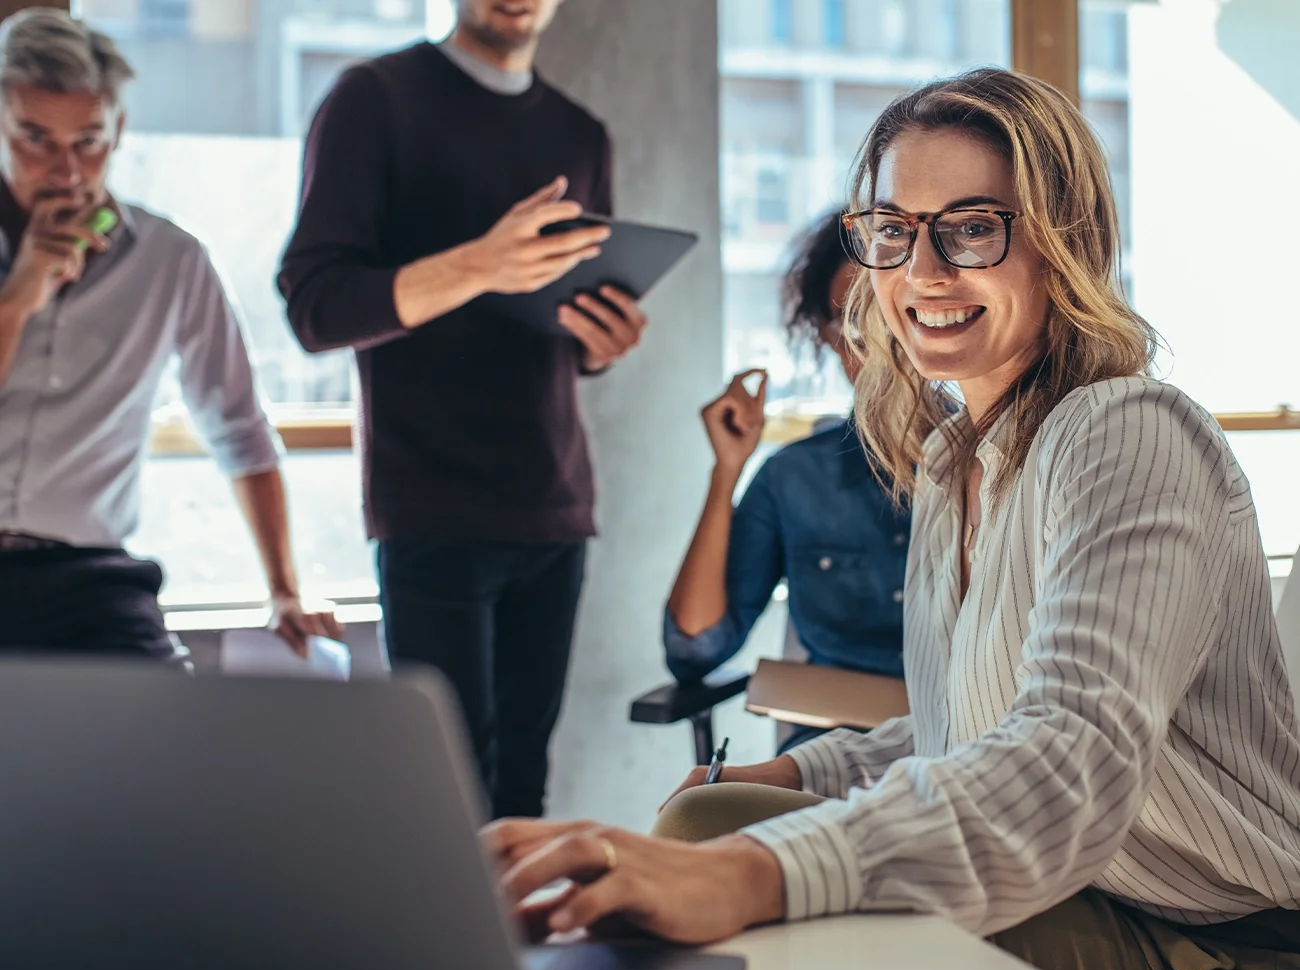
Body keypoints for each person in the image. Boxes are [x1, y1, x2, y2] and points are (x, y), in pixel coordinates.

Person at [485, 67, 1300, 970]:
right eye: (892, 229)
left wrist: (756, 871)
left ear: (1062, 241)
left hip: (1201, 935)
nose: (922, 271)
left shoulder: (1128, 431)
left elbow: (1064, 757)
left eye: (970, 227)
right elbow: (969, 720)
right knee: (709, 815)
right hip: (1083, 884)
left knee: (758, 890)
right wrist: (802, 773)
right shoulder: (955, 457)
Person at [277, 0, 648, 819]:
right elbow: (314, 309)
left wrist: (602, 339)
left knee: (523, 791)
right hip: (431, 504)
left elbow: (568, 319)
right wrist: (479, 263)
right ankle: (448, 953)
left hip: (554, 503)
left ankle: (518, 953)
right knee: (446, 796)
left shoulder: (581, 133)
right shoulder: (372, 99)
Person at [0, 9, 339, 661]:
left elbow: (239, 428)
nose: (67, 171)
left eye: (89, 141)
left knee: (169, 744)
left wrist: (286, 589)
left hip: (91, 581)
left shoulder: (172, 261)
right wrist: (18, 298)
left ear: (119, 131)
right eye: (35, 140)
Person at [664, 212, 908, 751]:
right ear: (824, 337)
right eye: (849, 325)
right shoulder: (796, 477)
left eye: (886, 317)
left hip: (965, 751)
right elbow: (695, 648)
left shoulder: (997, 461)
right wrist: (726, 469)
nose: (872, 344)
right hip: (827, 752)